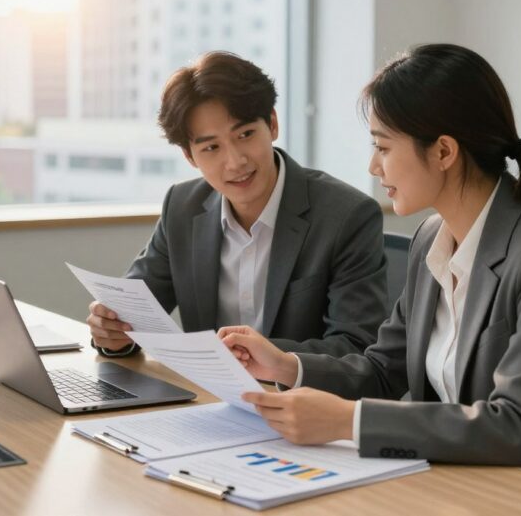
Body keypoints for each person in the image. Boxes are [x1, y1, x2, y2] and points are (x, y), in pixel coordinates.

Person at [218, 44, 521, 496]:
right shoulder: (431, 239)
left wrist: (348, 421)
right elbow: (383, 371)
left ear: (443, 152)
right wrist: (286, 366)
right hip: (461, 486)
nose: (373, 166)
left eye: (382, 146)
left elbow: (519, 426)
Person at [87, 51, 388, 358]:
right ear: (190, 157)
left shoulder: (346, 215)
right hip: (210, 399)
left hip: (299, 399)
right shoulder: (182, 207)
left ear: (272, 124)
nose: (235, 162)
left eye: (245, 134)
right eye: (212, 147)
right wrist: (112, 332)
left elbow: (356, 347)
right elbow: (132, 314)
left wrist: (261, 356)